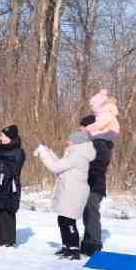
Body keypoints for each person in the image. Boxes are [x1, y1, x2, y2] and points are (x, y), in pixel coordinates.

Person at [35, 130, 97, 260]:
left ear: (76, 142)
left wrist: (43, 153)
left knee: (68, 221)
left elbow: (55, 167)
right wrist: (48, 151)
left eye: (69, 140)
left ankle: (74, 249)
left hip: (74, 192)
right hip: (69, 191)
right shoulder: (74, 153)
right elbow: (60, 166)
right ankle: (66, 246)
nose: (67, 142)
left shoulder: (77, 155)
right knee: (62, 219)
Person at [79, 90, 119, 256]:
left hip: (95, 184)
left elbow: (98, 164)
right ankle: (87, 243)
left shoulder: (100, 143)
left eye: (83, 129)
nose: (81, 132)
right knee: (86, 211)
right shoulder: (90, 144)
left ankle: (94, 243)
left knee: (91, 210)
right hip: (88, 182)